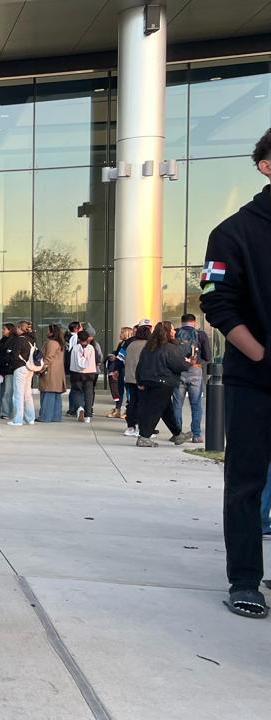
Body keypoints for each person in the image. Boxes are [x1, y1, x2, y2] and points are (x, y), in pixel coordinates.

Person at [199, 131, 271, 618]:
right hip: (256, 382)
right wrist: (261, 356)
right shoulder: (233, 232)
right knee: (246, 482)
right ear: (266, 165)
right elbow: (216, 302)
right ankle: (245, 579)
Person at [133, 321, 191, 448]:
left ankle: (177, 434)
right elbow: (178, 365)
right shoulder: (169, 348)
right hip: (163, 382)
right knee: (155, 410)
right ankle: (144, 437)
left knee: (166, 410)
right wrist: (187, 362)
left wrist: (139, 380)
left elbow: (140, 365)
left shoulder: (149, 347)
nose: (174, 332)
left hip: (148, 381)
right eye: (172, 330)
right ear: (167, 332)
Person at [172, 313, 211, 443]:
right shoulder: (201, 334)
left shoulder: (176, 333)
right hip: (195, 371)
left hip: (179, 371)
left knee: (177, 404)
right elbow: (208, 356)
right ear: (194, 322)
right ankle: (196, 435)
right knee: (196, 404)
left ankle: (177, 433)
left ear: (182, 322)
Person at [120, 322, 152, 437]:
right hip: (142, 379)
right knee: (143, 404)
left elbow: (123, 359)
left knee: (132, 402)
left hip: (129, 378)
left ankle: (130, 427)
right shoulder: (148, 345)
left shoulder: (130, 344)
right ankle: (140, 427)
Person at [8, 321, 39, 426]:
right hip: (30, 368)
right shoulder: (32, 339)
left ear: (20, 328)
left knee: (18, 394)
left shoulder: (20, 339)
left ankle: (18, 420)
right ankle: (30, 418)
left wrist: (12, 363)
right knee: (27, 394)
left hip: (20, 368)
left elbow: (15, 355)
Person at [37, 324, 67, 422]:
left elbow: (48, 358)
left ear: (52, 332)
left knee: (48, 394)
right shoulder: (59, 343)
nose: (46, 332)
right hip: (57, 373)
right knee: (55, 395)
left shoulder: (52, 343)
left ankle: (45, 417)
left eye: (48, 330)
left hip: (50, 372)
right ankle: (55, 417)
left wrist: (40, 369)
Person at [68, 331, 97, 423]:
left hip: (76, 374)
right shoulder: (91, 348)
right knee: (88, 394)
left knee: (77, 392)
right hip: (89, 373)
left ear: (79, 339)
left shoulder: (75, 348)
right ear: (87, 338)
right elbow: (96, 359)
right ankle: (88, 416)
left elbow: (69, 360)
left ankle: (80, 408)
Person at [105, 326, 132, 418]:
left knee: (128, 390)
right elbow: (118, 354)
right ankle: (118, 409)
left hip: (126, 368)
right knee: (119, 389)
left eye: (122, 332)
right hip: (120, 368)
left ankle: (128, 410)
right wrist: (113, 356)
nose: (120, 334)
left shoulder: (129, 344)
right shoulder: (121, 343)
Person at [66, 321, 83, 416]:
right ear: (76, 328)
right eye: (81, 327)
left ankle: (72, 408)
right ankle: (74, 409)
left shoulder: (68, 336)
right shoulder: (75, 337)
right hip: (75, 366)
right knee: (76, 388)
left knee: (74, 387)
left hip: (71, 366)